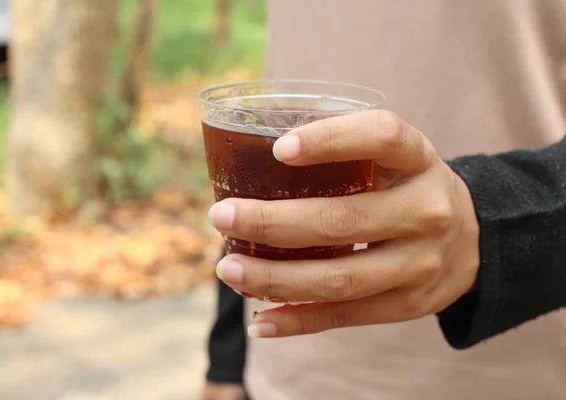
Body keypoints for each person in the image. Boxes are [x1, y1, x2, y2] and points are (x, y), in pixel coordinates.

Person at [203, 1, 566, 399]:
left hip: (510, 377)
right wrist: (228, 356)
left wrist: (500, 222)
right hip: (281, 371)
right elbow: (265, 151)